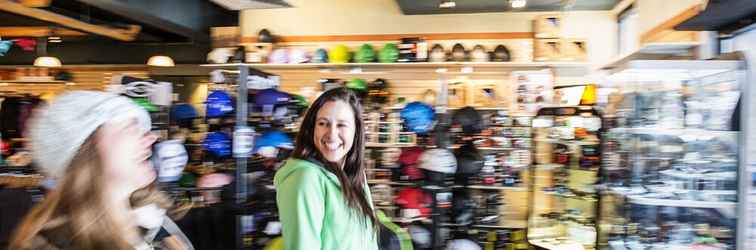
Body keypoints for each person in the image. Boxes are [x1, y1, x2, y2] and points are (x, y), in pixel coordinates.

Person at [9, 91, 193, 250]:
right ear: (88, 147)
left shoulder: (153, 223)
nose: (151, 138)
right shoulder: (55, 244)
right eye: (130, 127)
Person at [274, 87, 378, 250]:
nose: (332, 134)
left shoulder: (355, 176)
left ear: (356, 131)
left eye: (342, 125)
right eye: (323, 123)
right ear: (312, 128)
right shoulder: (306, 178)